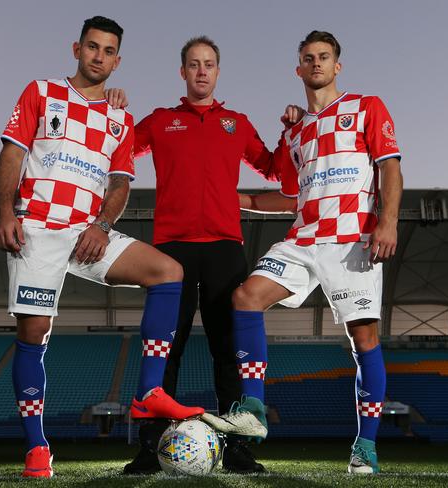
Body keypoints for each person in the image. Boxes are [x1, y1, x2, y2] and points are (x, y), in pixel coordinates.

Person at [0, 16, 203, 479]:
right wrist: (6, 213)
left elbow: (121, 183)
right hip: (38, 229)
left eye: (109, 51)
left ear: (118, 60)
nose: (99, 57)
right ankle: (36, 448)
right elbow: (12, 153)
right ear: (77, 48)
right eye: (92, 47)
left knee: (168, 271)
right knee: (33, 336)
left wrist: (103, 224)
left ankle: (149, 392)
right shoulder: (41, 92)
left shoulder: (120, 117)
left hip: (88, 232)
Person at [203, 30, 403, 475]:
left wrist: (388, 221)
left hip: (353, 240)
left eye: (324, 57)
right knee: (245, 297)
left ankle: (365, 446)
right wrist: (242, 200)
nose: (316, 64)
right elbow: (292, 194)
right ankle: (253, 405)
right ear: (298, 69)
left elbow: (390, 166)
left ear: (337, 65)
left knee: (364, 341)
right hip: (304, 237)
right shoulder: (297, 131)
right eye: (308, 58)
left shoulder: (366, 107)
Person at [122, 35, 300, 475]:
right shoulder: (161, 121)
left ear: (218, 72)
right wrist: (111, 111)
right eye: (194, 64)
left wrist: (291, 130)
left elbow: (278, 170)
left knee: (228, 349)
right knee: (168, 349)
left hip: (224, 247)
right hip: (172, 251)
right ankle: (150, 446)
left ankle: (238, 447)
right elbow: (117, 145)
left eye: (209, 64)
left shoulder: (236, 123)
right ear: (182, 72)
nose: (202, 71)